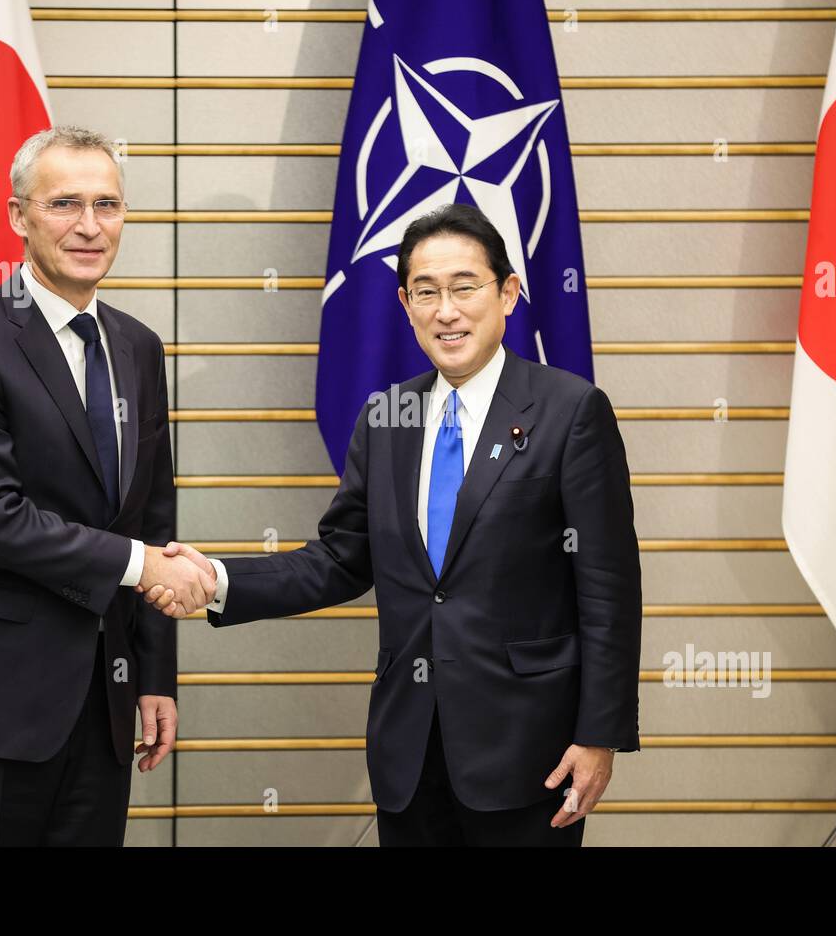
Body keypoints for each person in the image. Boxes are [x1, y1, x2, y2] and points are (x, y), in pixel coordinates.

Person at [143, 203, 642, 846]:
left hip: (531, 752)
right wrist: (213, 579)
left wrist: (597, 734)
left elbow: (608, 588)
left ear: (508, 292)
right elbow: (339, 559)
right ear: (405, 304)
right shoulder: (388, 417)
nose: (447, 310)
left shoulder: (571, 410)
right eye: (425, 292)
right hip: (410, 753)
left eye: (465, 287)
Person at [0, 126, 211, 845]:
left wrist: (155, 673)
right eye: (65, 203)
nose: (90, 226)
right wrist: (142, 566)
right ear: (18, 216)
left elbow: (152, 515)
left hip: (103, 704)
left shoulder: (137, 347)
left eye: (109, 204)